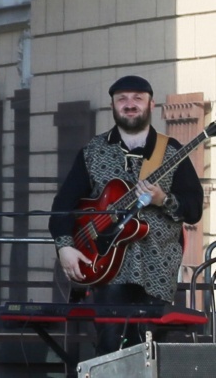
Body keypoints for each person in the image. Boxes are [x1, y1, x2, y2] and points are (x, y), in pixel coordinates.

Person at [48, 75, 204, 355]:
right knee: (109, 347)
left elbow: (193, 209)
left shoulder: (171, 152)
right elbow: (63, 205)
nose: (129, 104)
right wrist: (65, 247)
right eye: (122, 99)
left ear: (151, 104)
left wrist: (163, 199)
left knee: (147, 349)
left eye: (137, 98)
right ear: (113, 106)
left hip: (157, 268)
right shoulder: (93, 152)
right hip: (107, 268)